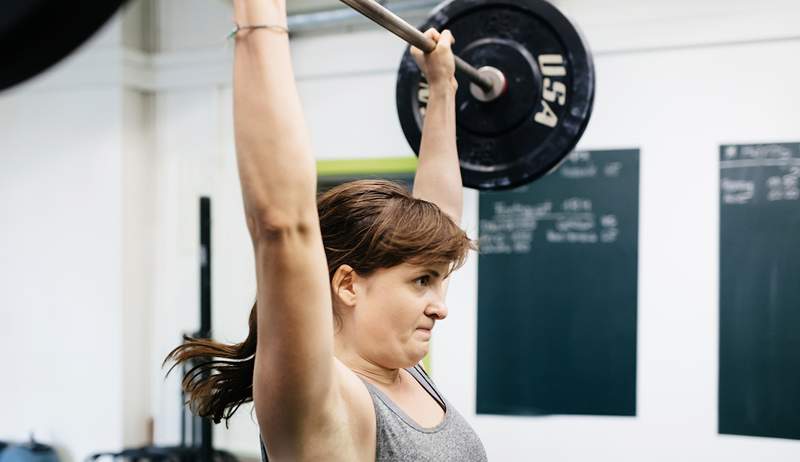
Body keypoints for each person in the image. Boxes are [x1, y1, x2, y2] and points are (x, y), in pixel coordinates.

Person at [165, 0, 486, 460]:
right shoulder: (325, 402)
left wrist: (442, 88)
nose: (441, 308)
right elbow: (282, 225)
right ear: (348, 284)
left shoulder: (404, 372)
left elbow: (441, 218)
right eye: (421, 282)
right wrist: (261, 21)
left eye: (437, 279)